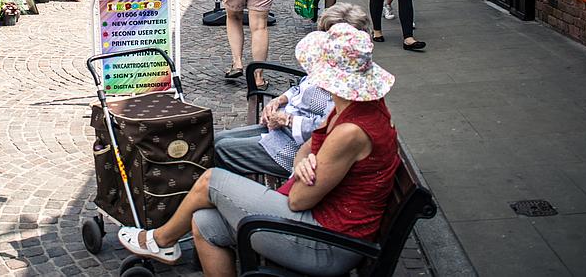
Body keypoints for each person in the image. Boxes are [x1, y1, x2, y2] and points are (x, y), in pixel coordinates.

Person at [117, 17, 400, 276]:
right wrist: (303, 159)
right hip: (318, 225)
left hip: (327, 244)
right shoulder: (354, 105)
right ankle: (164, 241)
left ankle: (160, 240)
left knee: (211, 181)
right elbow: (310, 146)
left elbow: (299, 200)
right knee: (205, 222)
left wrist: (307, 160)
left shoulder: (351, 129)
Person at [214, 3, 369, 180]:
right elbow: (300, 86)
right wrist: (278, 101)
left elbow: (328, 130)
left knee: (221, 149)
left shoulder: (346, 86)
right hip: (279, 131)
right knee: (219, 140)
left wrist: (287, 119)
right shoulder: (328, 64)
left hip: (292, 149)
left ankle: (225, 194)